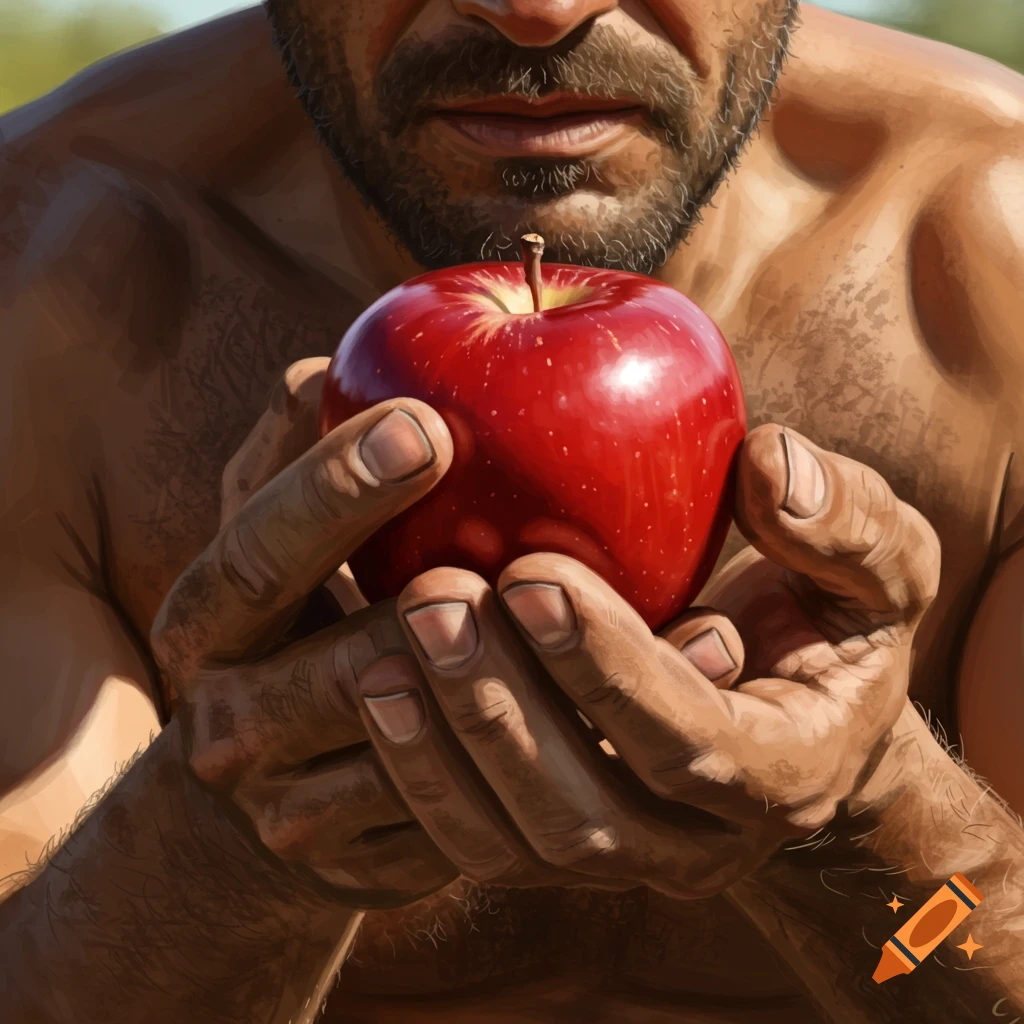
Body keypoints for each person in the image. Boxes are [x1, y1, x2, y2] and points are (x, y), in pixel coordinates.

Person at [1, 0, 1022, 1021]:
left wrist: (867, 817)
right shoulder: (35, 278)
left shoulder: (999, 250)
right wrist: (225, 852)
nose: (539, 14)